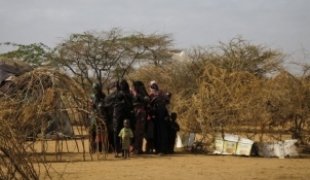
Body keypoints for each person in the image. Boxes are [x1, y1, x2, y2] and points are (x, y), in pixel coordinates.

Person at [105, 79, 134, 157]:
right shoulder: (115, 93)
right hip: (117, 115)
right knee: (117, 132)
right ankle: (116, 151)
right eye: (120, 84)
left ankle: (125, 151)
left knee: (125, 133)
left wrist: (124, 96)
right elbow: (107, 101)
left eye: (123, 84)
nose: (122, 85)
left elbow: (131, 104)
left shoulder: (128, 93)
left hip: (126, 115)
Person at [149, 80, 171, 155]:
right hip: (156, 114)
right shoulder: (151, 95)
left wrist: (161, 101)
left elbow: (167, 101)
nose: (154, 87)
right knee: (157, 131)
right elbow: (150, 105)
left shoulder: (161, 93)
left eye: (155, 86)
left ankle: (163, 149)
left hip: (162, 112)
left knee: (162, 131)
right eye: (152, 86)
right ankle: (158, 149)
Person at [131, 80, 150, 154]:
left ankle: (138, 149)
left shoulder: (141, 95)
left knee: (140, 132)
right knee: (137, 132)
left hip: (141, 114)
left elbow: (147, 101)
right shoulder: (135, 94)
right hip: (137, 114)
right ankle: (136, 148)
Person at [89, 82, 107, 153]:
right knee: (92, 131)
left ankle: (100, 147)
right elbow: (90, 106)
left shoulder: (103, 96)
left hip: (101, 116)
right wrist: (92, 105)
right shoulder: (92, 96)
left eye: (97, 88)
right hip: (93, 116)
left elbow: (106, 104)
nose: (96, 90)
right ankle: (93, 147)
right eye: (94, 88)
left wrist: (102, 105)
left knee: (101, 131)